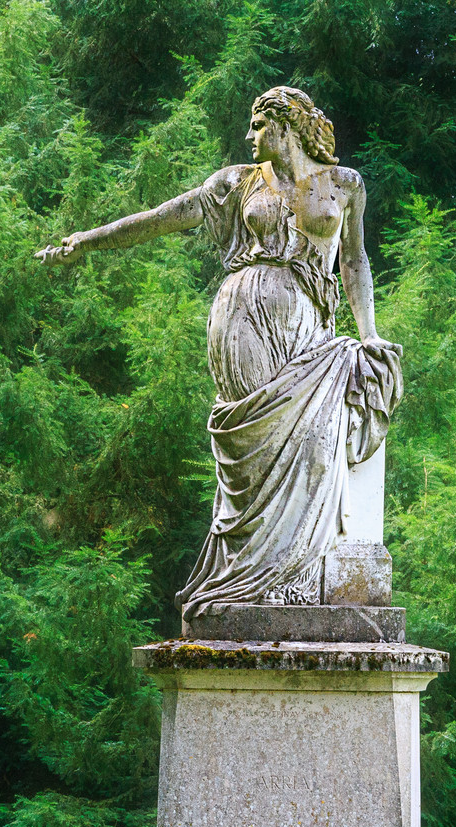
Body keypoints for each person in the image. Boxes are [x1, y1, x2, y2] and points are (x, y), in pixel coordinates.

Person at [37, 86, 402, 616]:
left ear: (285, 127)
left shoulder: (344, 185)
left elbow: (355, 263)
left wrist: (368, 334)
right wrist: (87, 240)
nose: (249, 136)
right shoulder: (236, 183)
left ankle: (290, 576)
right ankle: (251, 585)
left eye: (258, 126)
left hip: (308, 328)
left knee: (318, 446)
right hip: (242, 319)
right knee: (254, 442)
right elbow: (164, 216)